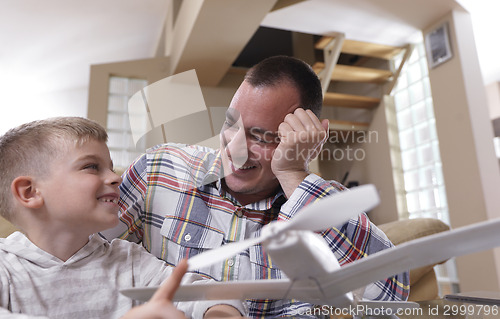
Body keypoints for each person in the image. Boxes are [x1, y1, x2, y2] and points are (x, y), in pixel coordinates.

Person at [102, 56, 410, 318]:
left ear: (309, 139)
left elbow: (388, 300)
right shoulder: (162, 168)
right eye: (231, 124)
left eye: (261, 136)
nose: (235, 149)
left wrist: (292, 172)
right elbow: (81, 251)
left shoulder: (329, 211)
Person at [0, 117, 246, 319]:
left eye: (110, 166)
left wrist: (219, 310)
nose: (116, 177)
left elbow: (209, 292)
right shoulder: (5, 267)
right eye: (91, 167)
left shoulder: (128, 260)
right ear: (30, 192)